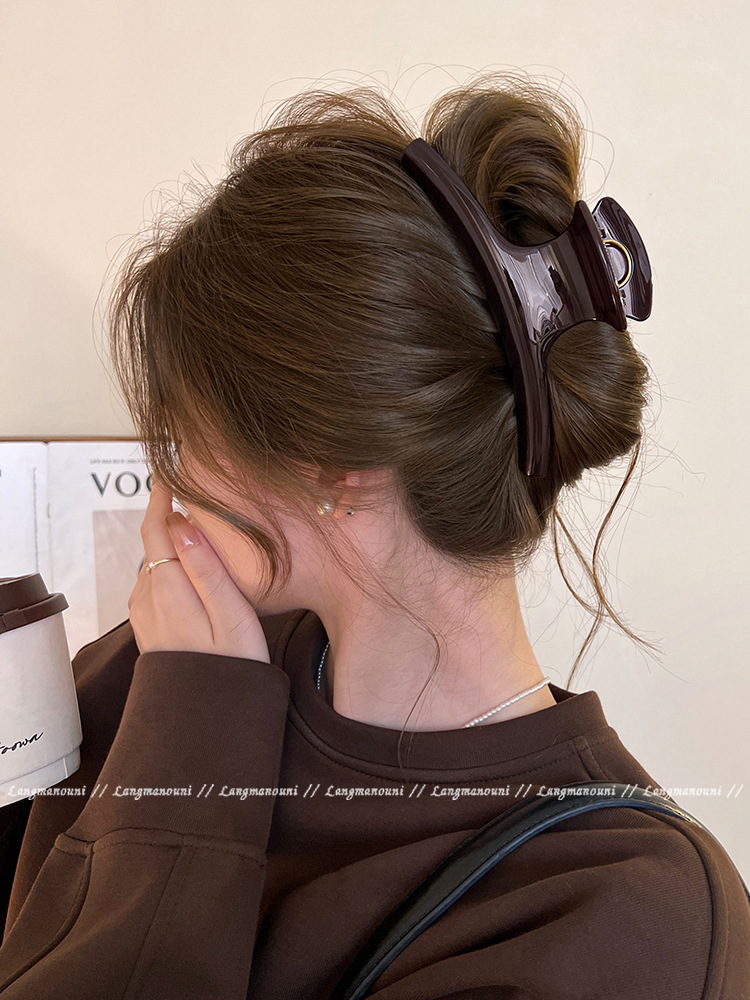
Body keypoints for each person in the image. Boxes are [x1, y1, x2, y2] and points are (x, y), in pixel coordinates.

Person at [1, 70, 748, 999]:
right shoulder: (159, 668)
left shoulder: (627, 915)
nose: (170, 479)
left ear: (327, 463)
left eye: (188, 432)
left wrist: (195, 744)